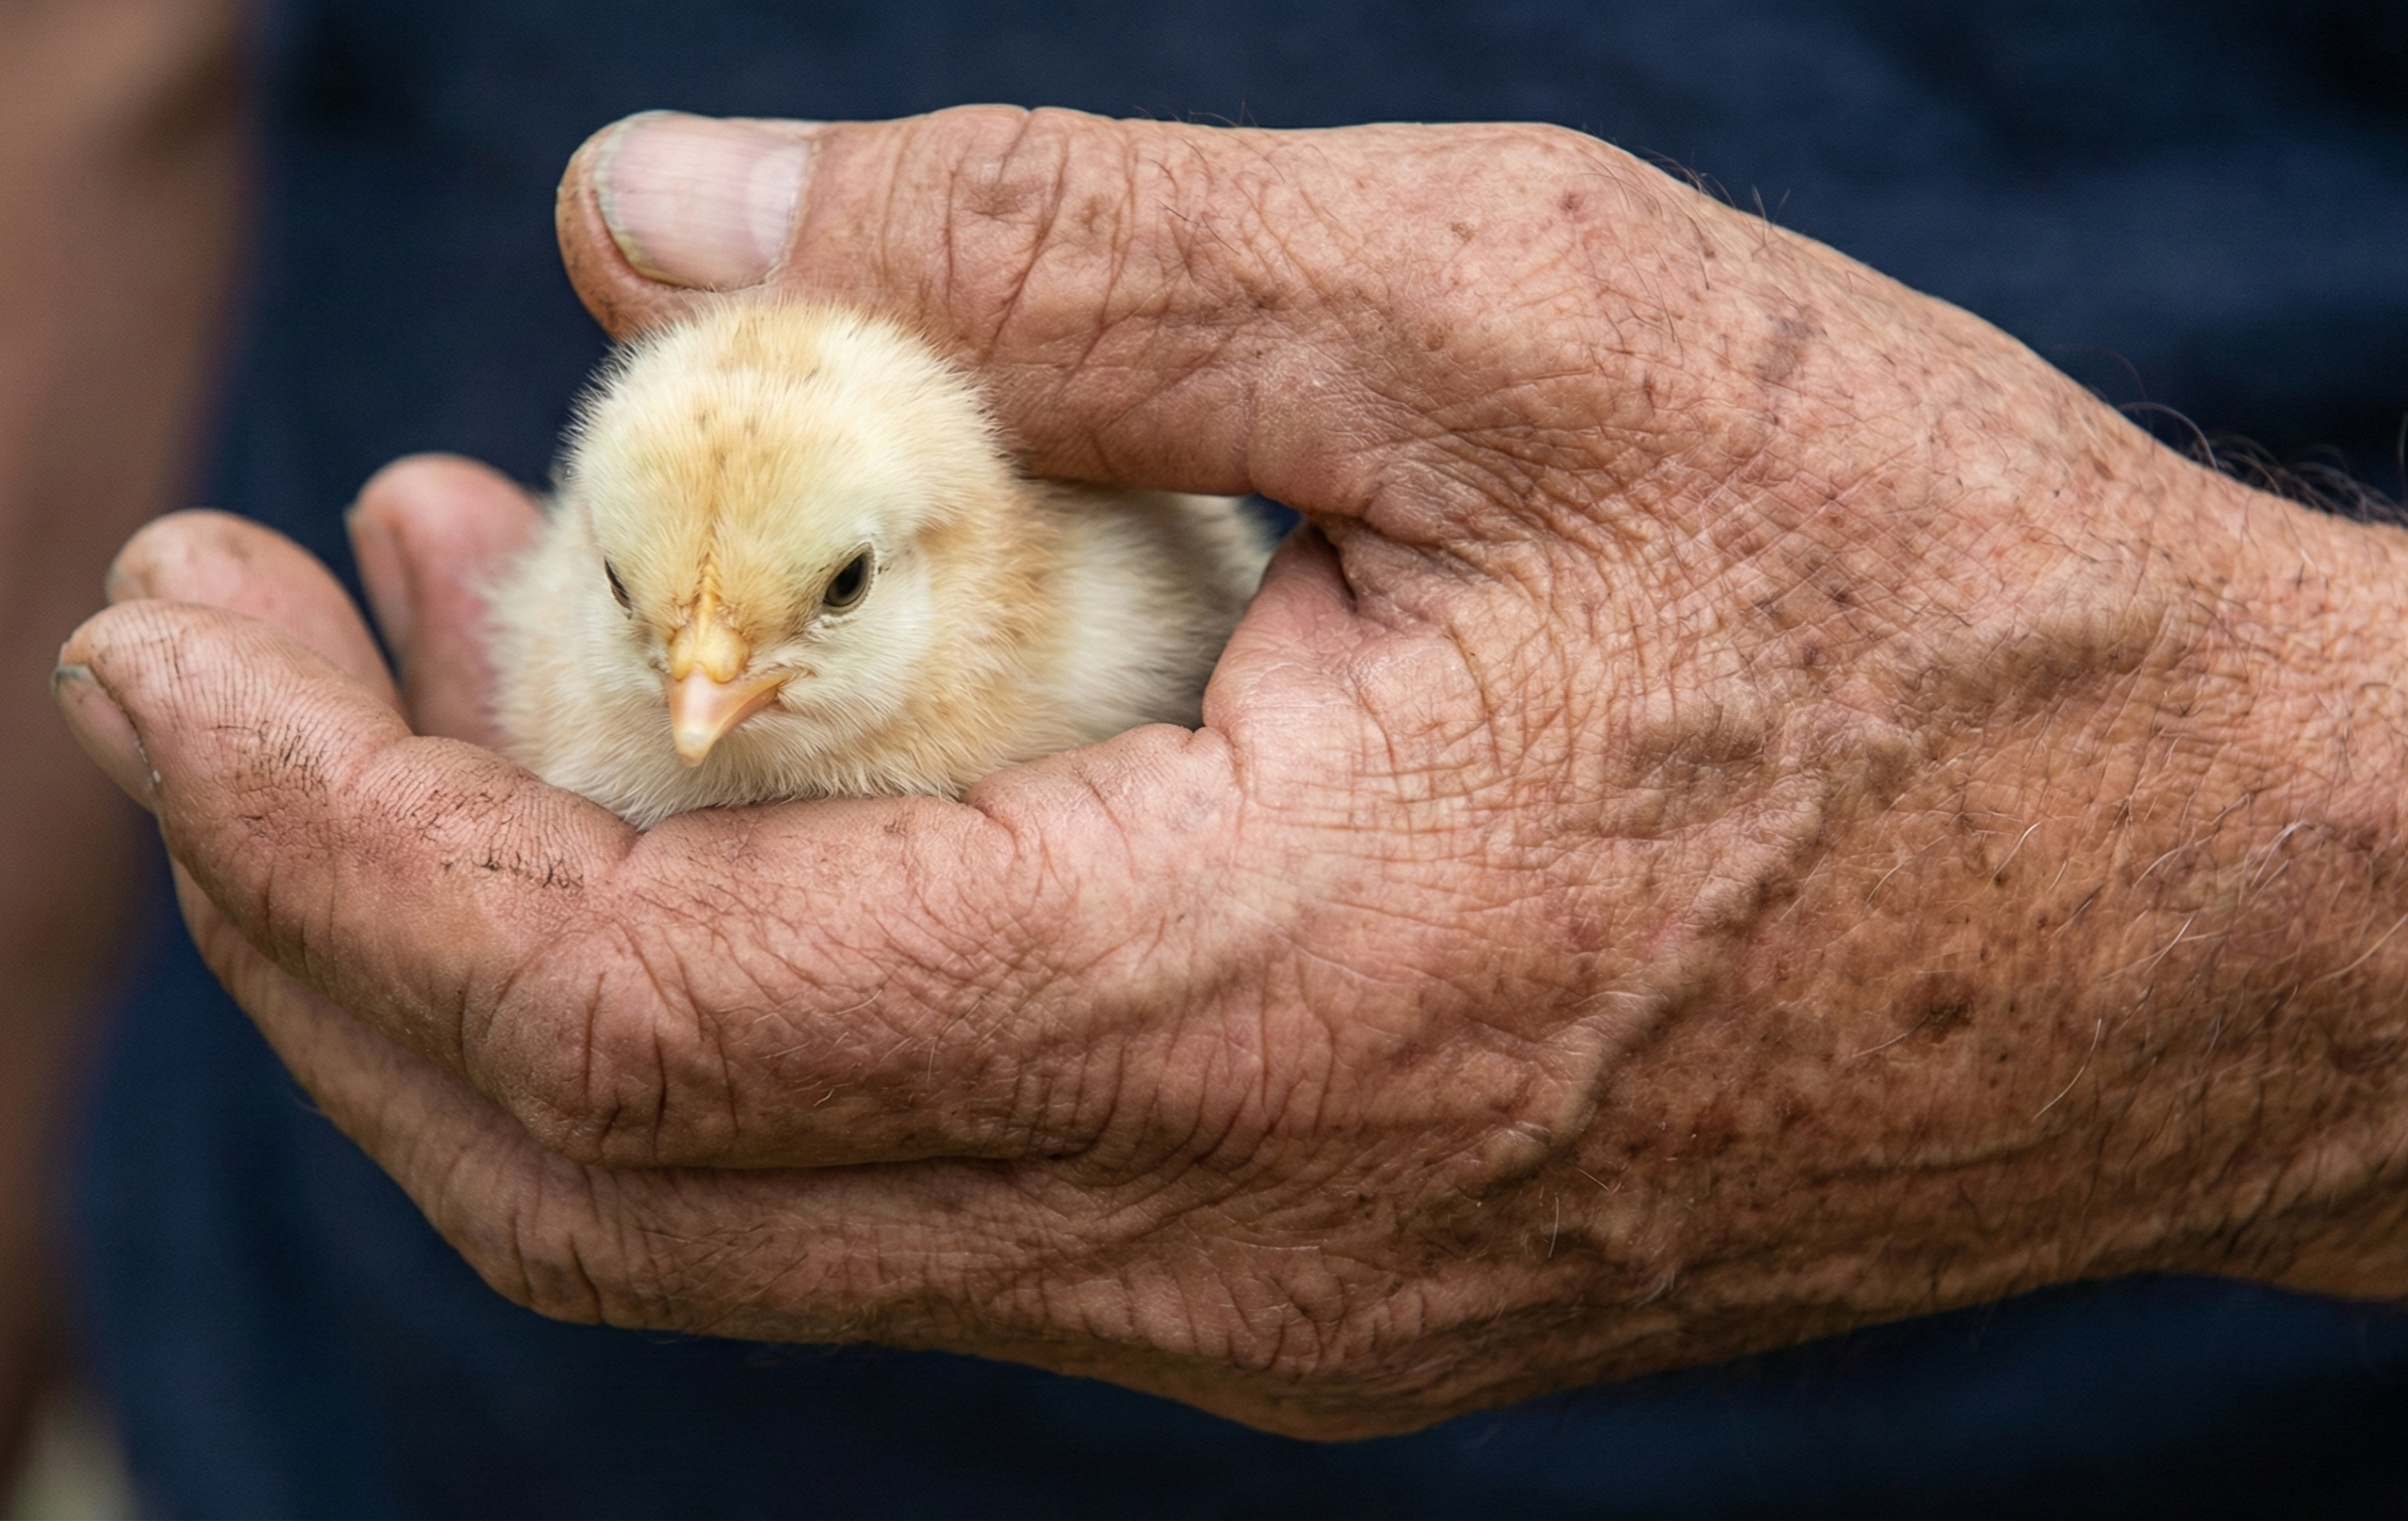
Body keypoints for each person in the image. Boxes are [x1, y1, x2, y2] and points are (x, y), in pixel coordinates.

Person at [19, 2, 2408, 1513]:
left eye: (797, 628)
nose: (695, 704)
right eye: (668, 644)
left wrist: (2254, 892)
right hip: (354, 1408)